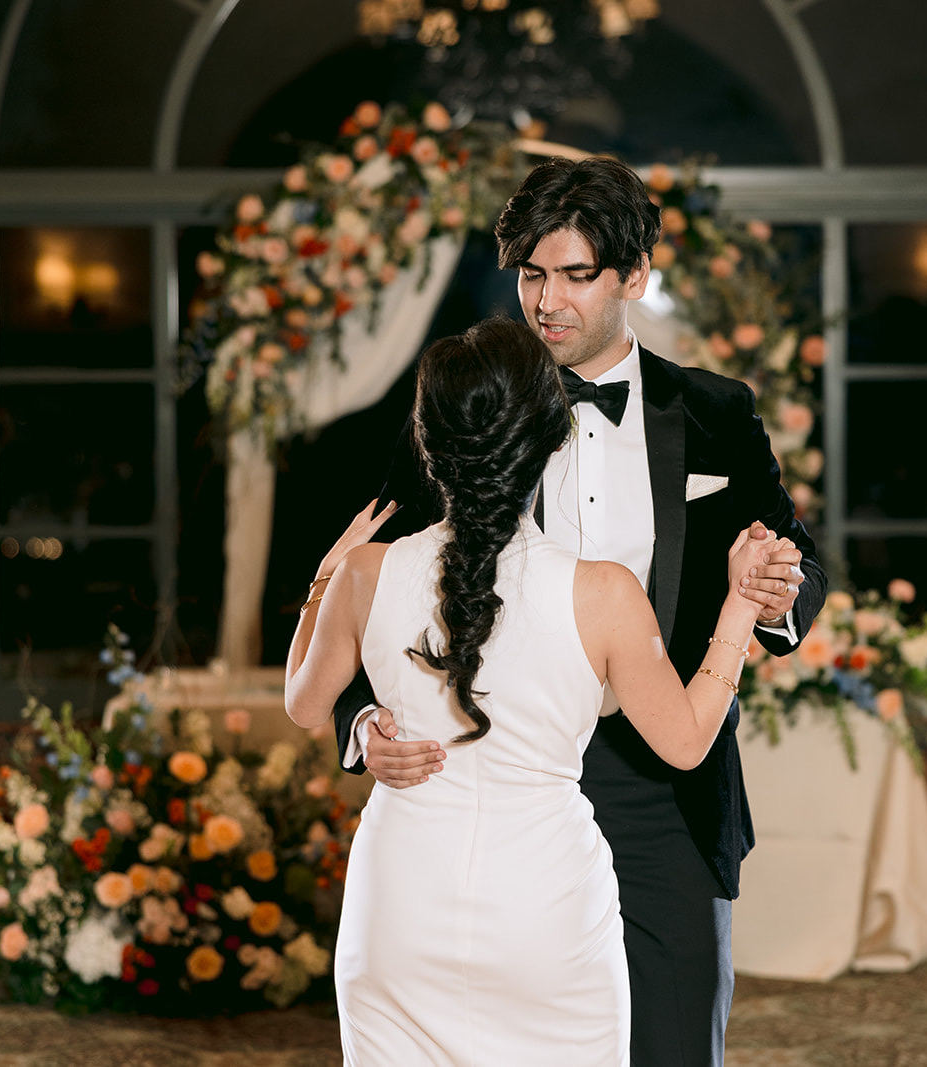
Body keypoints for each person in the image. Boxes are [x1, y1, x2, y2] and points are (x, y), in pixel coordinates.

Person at [335, 156, 827, 1067]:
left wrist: (774, 592)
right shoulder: (468, 399)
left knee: (675, 1043)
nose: (546, 301)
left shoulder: (716, 412)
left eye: (575, 275)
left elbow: (796, 556)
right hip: (491, 775)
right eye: (531, 275)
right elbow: (375, 589)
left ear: (634, 276)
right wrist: (363, 722)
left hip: (665, 783)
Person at [284, 317, 782, 1064]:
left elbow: (302, 703)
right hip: (544, 911)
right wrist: (739, 607)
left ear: (426, 442)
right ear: (551, 441)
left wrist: (324, 578)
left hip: (398, 906)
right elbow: (685, 742)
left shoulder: (363, 573)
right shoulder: (604, 593)